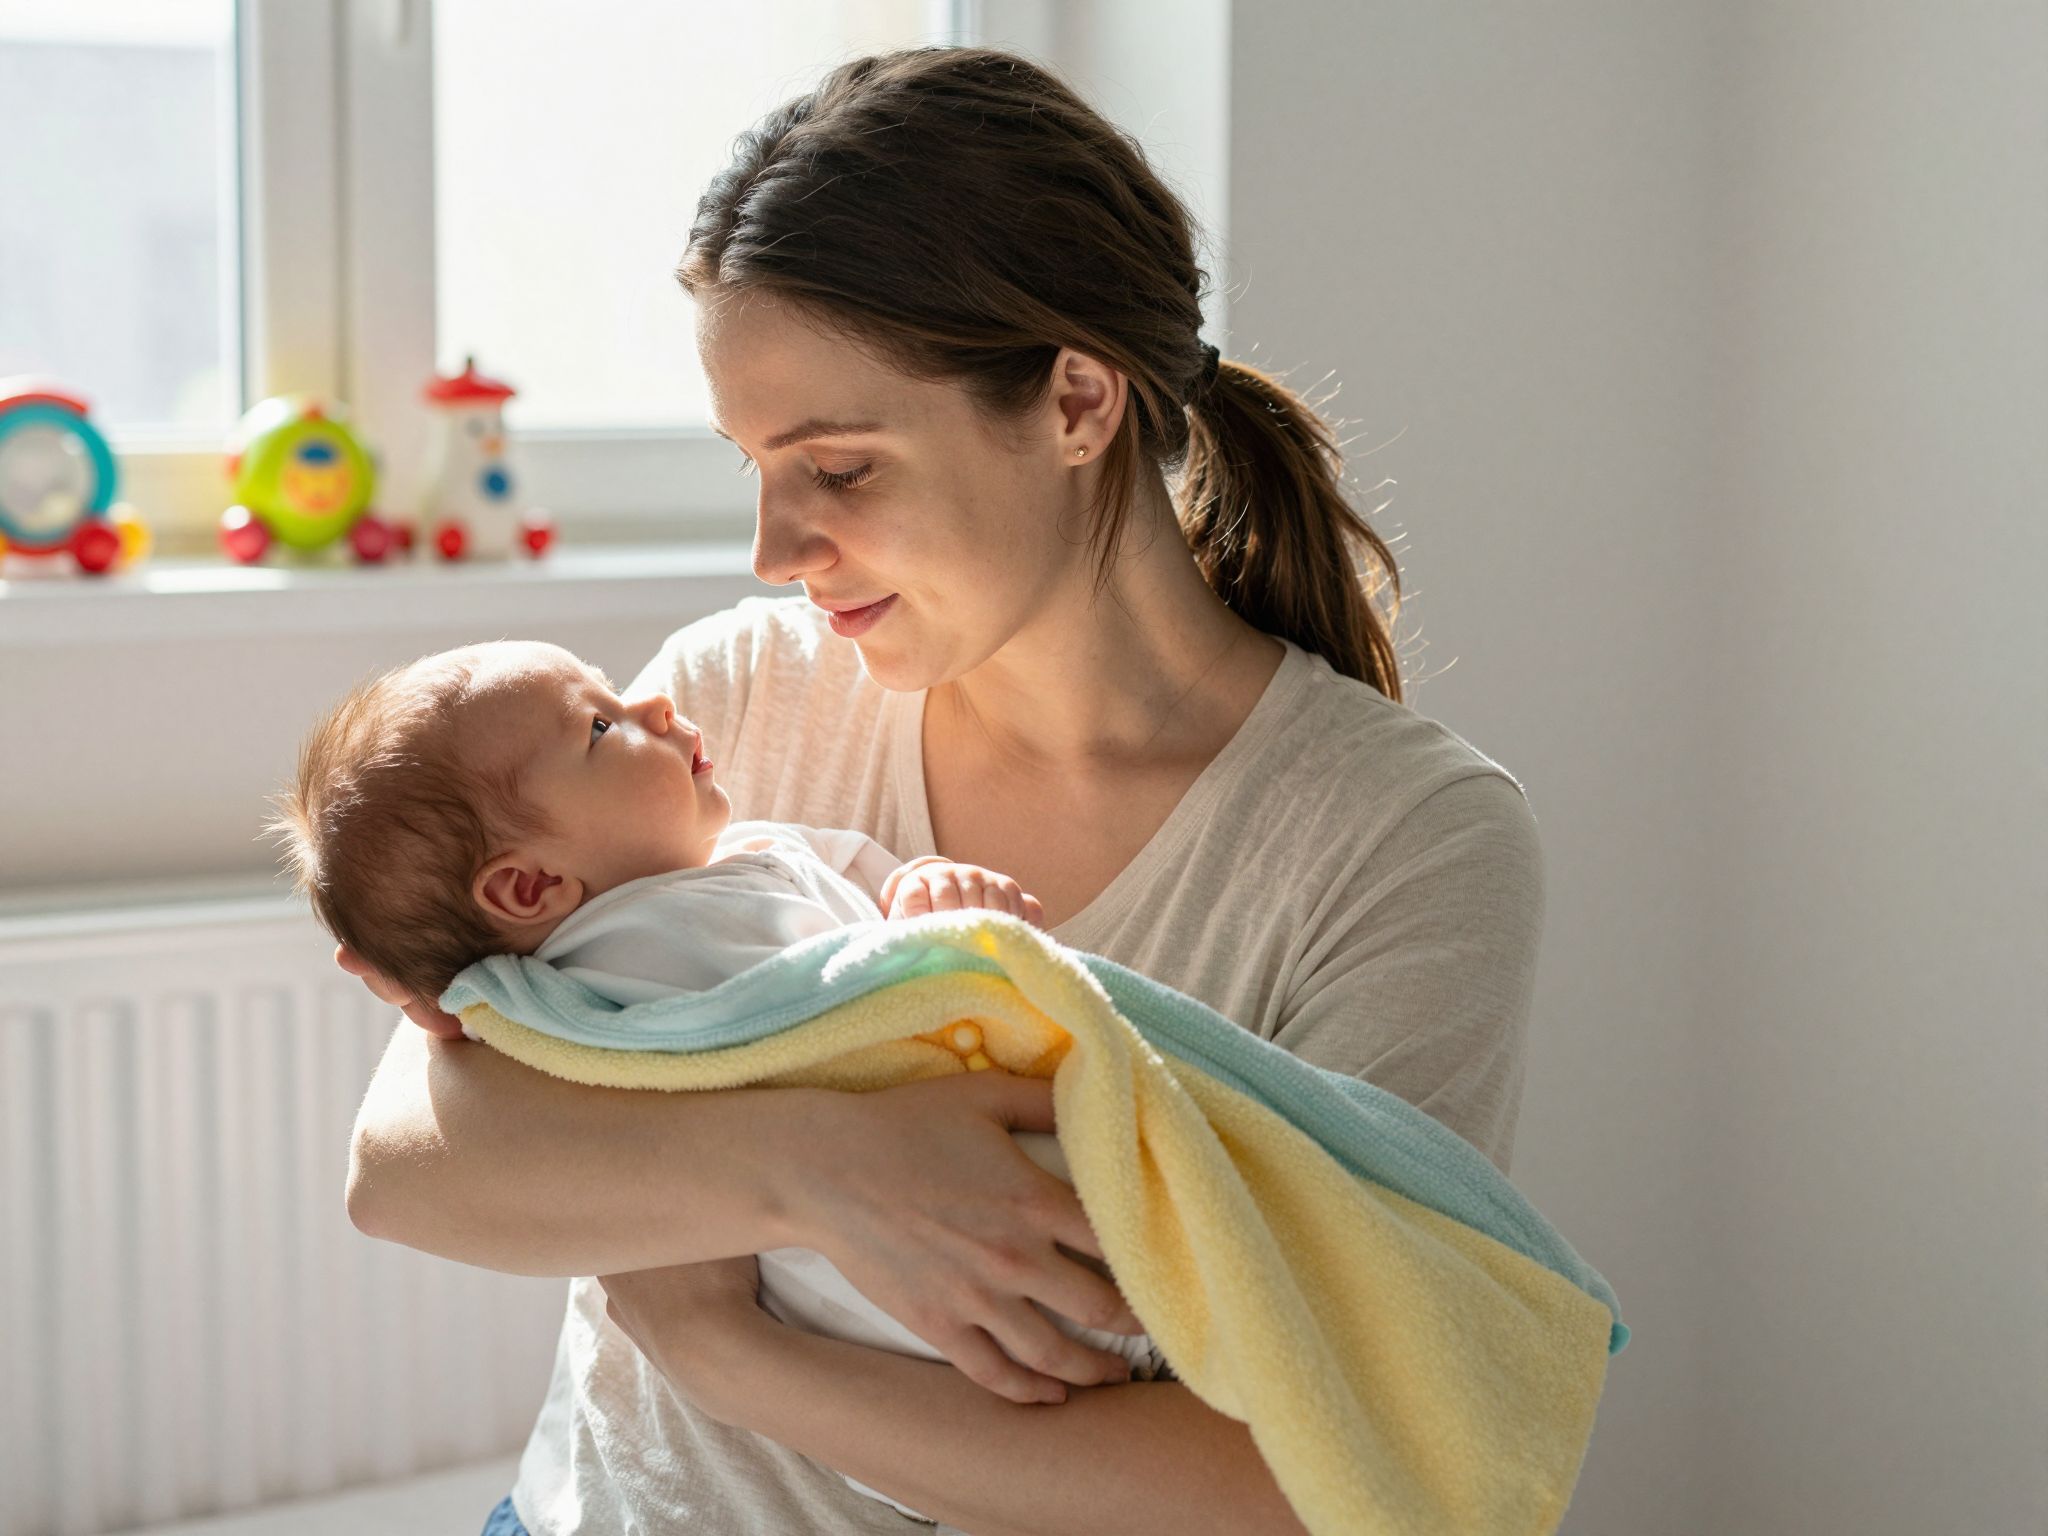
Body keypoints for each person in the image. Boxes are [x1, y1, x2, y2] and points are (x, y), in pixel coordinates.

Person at [340, 46, 1544, 1536]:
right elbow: (406, 1171)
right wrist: (823, 1168)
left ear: (1080, 401)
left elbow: (1314, 1484)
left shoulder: (1398, 844)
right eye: (753, 470)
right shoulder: (729, 700)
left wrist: (729, 1345)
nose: (778, 551)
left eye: (838, 469)